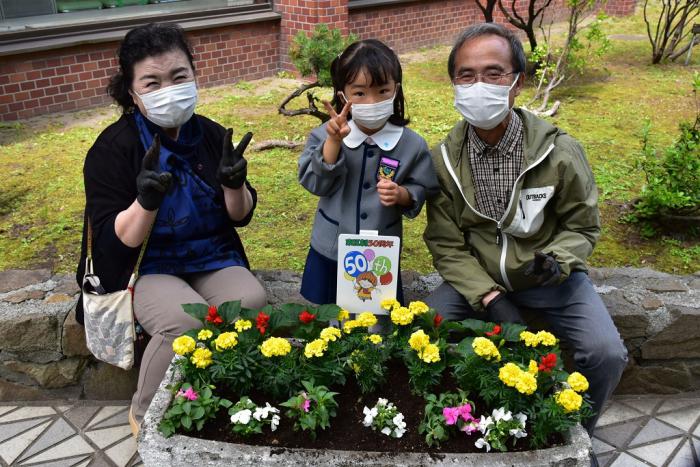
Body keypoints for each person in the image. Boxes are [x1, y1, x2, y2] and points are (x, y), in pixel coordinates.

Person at [423, 23, 627, 434]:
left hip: (550, 279)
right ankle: (457, 422)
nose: (479, 84)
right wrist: (490, 296)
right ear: (454, 84)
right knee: (425, 334)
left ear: (516, 83)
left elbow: (582, 225)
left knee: (606, 354)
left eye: (494, 73)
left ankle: (575, 436)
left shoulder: (559, 152)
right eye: (466, 75)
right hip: (478, 281)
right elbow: (446, 242)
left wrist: (559, 261)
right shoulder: (443, 159)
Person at [75, 23, 267, 435]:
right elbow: (113, 243)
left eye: (178, 77)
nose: (169, 89)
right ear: (132, 91)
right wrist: (145, 201)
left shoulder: (212, 135)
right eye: (152, 81)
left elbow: (240, 215)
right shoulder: (113, 149)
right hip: (146, 266)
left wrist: (235, 185)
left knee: (250, 299)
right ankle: (146, 414)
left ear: (194, 75)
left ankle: (212, 392)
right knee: (183, 322)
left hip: (209, 255)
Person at [298, 39, 439, 306]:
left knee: (376, 317)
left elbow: (422, 187)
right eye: (360, 93)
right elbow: (316, 183)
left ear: (396, 91)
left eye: (383, 91)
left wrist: (403, 195)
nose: (372, 101)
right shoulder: (323, 137)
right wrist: (333, 143)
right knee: (327, 319)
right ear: (343, 96)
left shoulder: (411, 144)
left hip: (380, 252)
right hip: (331, 246)